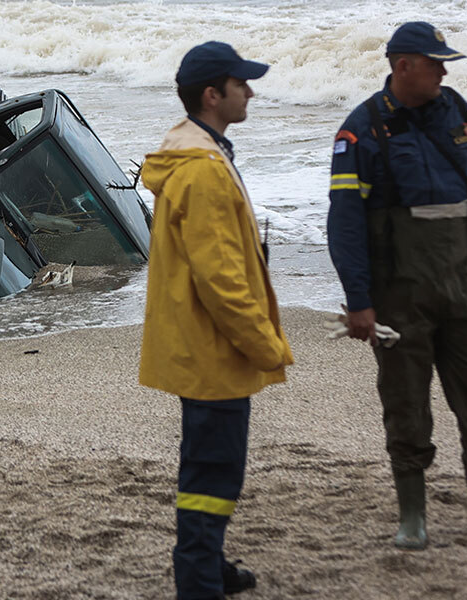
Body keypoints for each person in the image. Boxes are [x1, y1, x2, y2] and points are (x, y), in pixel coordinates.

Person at [327, 22, 467, 550]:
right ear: (403, 66)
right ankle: (413, 517)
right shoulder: (362, 129)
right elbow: (344, 224)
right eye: (435, 63)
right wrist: (359, 303)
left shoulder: (456, 109)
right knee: (406, 404)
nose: (445, 72)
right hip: (399, 295)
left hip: (464, 284)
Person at [139, 42, 294, 599]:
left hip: (197, 340)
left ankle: (209, 563)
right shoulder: (202, 169)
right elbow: (221, 279)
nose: (250, 91)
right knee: (214, 471)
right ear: (213, 95)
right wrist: (266, 344)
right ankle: (200, 578)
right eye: (241, 83)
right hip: (211, 346)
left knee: (209, 463)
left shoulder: (198, 153)